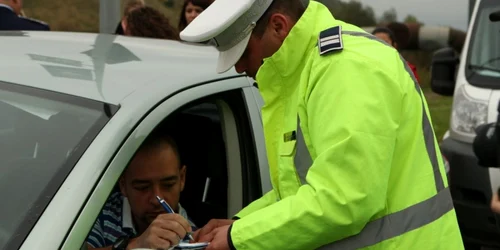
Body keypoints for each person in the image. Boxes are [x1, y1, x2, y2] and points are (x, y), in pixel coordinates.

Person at [180, 0, 464, 249]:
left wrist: (237, 238)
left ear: (279, 26)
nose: (240, 68)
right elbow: (300, 189)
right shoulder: (306, 70)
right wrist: (242, 223)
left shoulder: (346, 69)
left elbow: (344, 199)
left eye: (242, 53)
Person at [86, 132, 195, 250]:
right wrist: (134, 245)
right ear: (123, 185)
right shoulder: (98, 213)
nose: (157, 199)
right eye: (143, 187)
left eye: (168, 185)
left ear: (182, 178)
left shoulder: (194, 238)